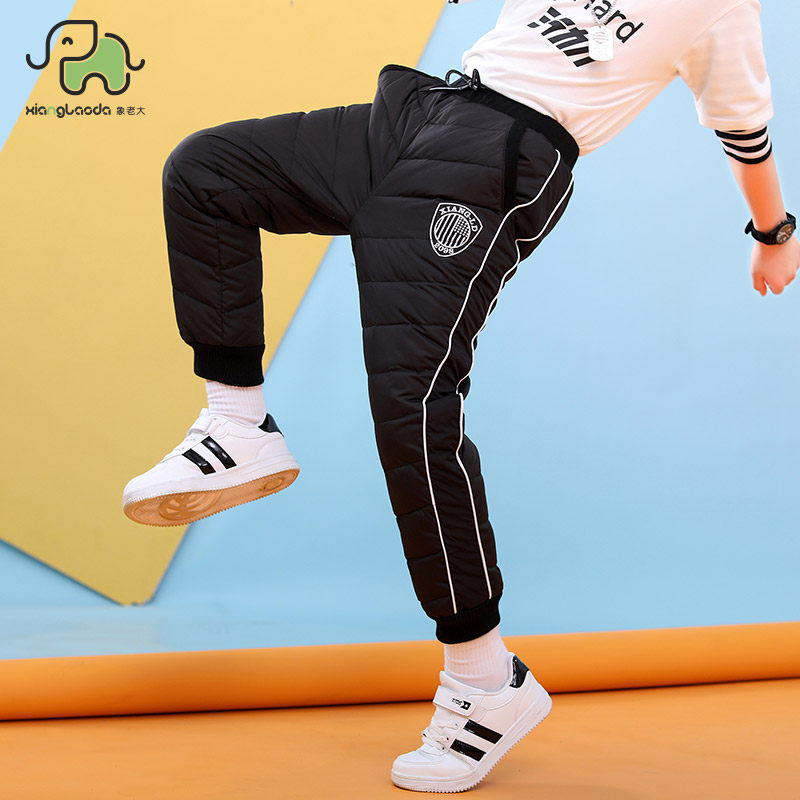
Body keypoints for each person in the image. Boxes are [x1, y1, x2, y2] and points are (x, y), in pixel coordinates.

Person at [122, 0, 798, 792]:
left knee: (413, 411)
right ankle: (238, 422)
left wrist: (774, 233)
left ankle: (485, 681)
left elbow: (744, 130)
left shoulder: (719, 7)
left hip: (497, 159)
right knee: (208, 170)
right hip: (420, 112)